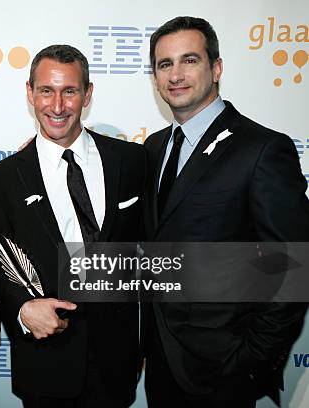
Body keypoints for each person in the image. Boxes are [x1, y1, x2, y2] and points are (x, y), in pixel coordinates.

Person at [143, 16, 309, 407]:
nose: (176, 74)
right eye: (165, 64)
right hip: (162, 364)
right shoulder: (152, 149)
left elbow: (294, 265)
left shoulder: (262, 149)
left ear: (216, 68)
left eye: (190, 60)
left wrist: (250, 359)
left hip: (225, 372)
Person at [0, 44, 146, 407]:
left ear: (87, 95)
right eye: (46, 91)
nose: (57, 106)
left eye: (69, 91)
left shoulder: (132, 161)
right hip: (45, 364)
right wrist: (23, 309)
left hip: (117, 365)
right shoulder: (5, 177)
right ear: (30, 93)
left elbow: (149, 251)